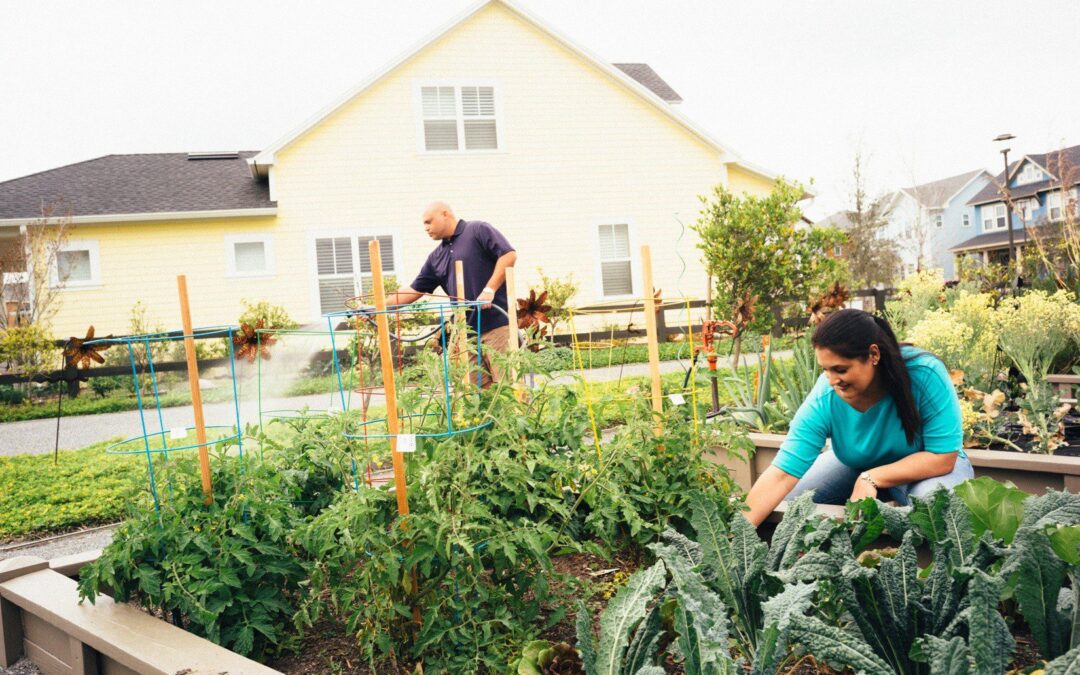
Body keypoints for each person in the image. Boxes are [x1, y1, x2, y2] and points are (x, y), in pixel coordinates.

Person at [743, 308, 972, 527]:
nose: (832, 380)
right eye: (825, 370)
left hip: (928, 469)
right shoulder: (826, 397)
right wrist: (733, 541)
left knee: (936, 509)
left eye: (840, 369)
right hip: (856, 466)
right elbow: (782, 474)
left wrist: (873, 477)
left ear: (873, 354)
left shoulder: (924, 373)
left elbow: (943, 456)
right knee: (790, 503)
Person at [386, 201, 517, 385]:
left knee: (510, 388)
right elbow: (414, 290)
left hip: (497, 327)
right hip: (466, 334)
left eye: (428, 222)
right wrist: (378, 306)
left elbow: (508, 255)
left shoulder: (477, 230)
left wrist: (489, 289)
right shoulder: (436, 257)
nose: (426, 228)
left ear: (445, 214)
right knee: (477, 396)